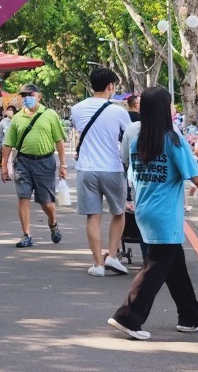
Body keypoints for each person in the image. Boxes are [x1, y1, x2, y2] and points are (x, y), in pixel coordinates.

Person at [108, 86, 198, 340]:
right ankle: (127, 316)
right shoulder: (173, 140)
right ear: (163, 110)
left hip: (145, 209)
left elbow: (130, 171)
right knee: (154, 269)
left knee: (175, 267)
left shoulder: (138, 138)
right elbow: (197, 178)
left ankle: (191, 318)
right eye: (170, 104)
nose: (173, 109)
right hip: (165, 215)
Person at [71, 68, 130, 277]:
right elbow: (128, 138)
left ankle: (97, 264)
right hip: (112, 168)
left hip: (86, 169)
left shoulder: (76, 108)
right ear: (111, 86)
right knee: (118, 212)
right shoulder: (119, 111)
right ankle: (112, 256)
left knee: (92, 217)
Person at [0, 84, 66, 248]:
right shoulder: (17, 118)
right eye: (23, 95)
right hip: (23, 162)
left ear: (39, 96)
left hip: (45, 162)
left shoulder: (49, 115)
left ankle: (53, 221)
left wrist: (63, 165)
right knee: (23, 197)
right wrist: (3, 166)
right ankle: (27, 234)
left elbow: (59, 140)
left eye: (30, 95)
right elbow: (8, 143)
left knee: (47, 203)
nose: (26, 98)